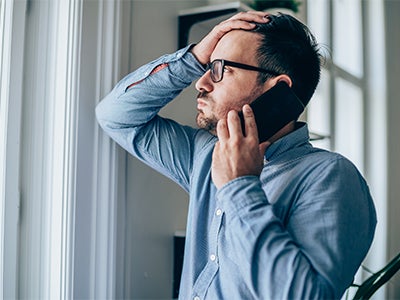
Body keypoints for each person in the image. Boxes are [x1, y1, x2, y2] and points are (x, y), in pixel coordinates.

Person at [96, 11, 376, 299]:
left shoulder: (332, 177)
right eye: (206, 66)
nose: (200, 82)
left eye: (219, 68)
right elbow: (116, 116)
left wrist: (239, 185)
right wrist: (193, 58)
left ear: (277, 88)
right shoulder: (205, 154)